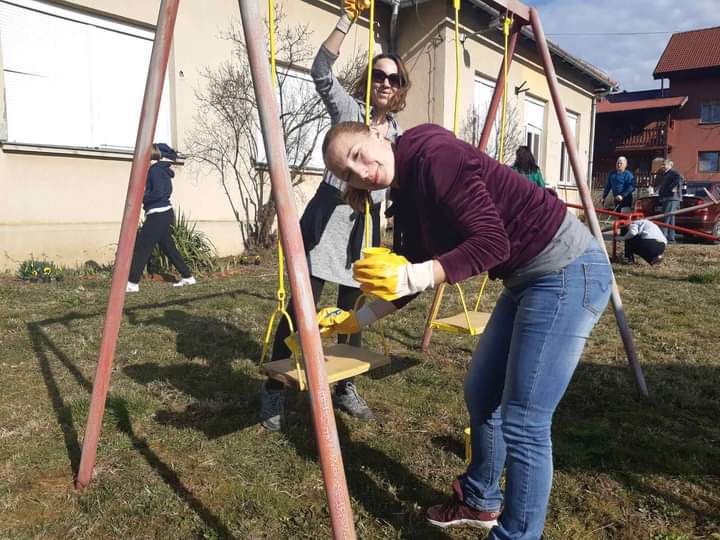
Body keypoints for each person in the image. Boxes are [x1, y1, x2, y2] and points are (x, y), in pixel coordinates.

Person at [319, 121, 612, 539]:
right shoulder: (406, 194)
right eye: (349, 174)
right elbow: (411, 276)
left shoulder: (434, 156)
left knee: (525, 421)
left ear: (376, 134)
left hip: (567, 271)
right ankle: (479, 498)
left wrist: (412, 275)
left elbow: (492, 244)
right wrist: (356, 320)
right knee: (483, 392)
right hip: (525, 279)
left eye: (356, 155)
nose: (362, 172)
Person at [259, 0, 411, 431]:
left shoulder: (398, 133)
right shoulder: (349, 110)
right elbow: (321, 71)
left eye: (393, 78)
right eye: (379, 75)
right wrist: (347, 19)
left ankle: (345, 387)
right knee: (300, 306)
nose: (384, 83)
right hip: (328, 219)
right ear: (369, 79)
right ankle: (275, 386)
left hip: (365, 230)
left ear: (400, 88)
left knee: (354, 309)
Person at [126, 143, 196, 293]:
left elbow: (158, 193)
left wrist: (142, 197)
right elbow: (164, 191)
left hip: (158, 214)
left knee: (142, 247)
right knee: (168, 248)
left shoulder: (155, 170)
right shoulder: (162, 170)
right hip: (164, 213)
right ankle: (188, 277)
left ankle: (132, 283)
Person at [654, 159, 684, 243]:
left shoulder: (673, 173)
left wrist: (671, 188)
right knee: (671, 218)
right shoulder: (665, 174)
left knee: (666, 217)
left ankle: (663, 236)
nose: (662, 166)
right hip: (667, 198)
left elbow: (679, 178)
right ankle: (671, 237)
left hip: (672, 198)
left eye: (664, 164)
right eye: (662, 164)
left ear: (670, 165)